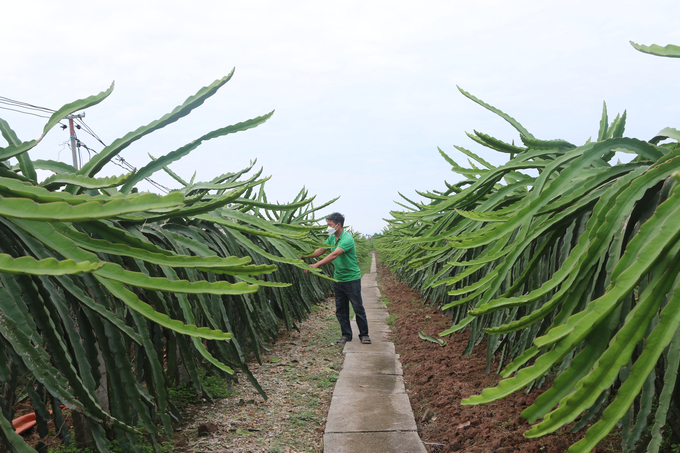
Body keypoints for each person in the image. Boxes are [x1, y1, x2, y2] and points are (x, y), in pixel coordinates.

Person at [301, 212, 371, 345]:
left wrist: (316, 264)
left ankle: (364, 334)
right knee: (341, 309)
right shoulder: (332, 238)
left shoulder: (347, 239)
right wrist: (305, 256)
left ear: (338, 225)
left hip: (351, 279)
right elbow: (321, 250)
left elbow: (334, 255)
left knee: (357, 307)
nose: (328, 227)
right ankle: (346, 335)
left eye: (330, 225)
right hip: (338, 279)